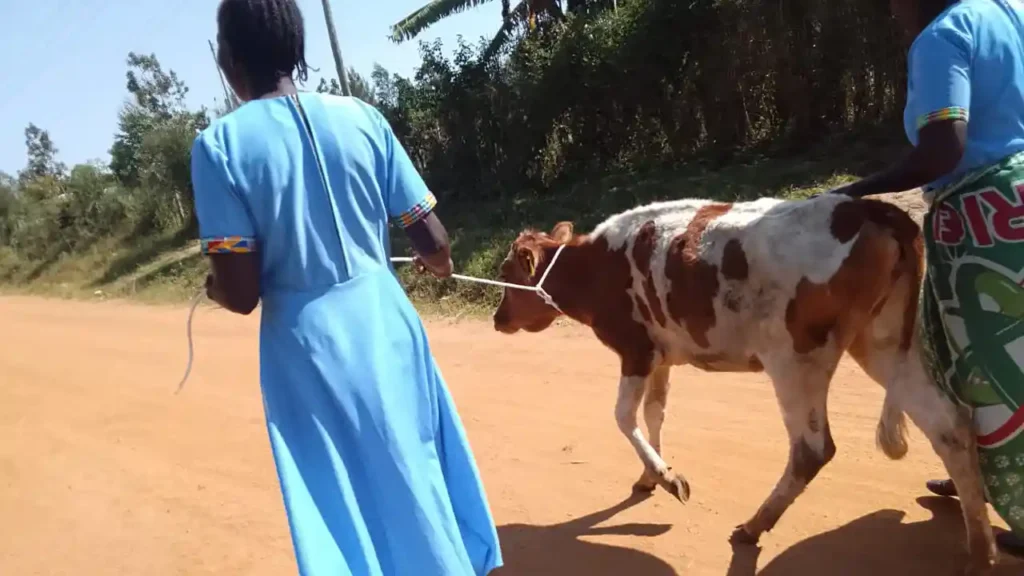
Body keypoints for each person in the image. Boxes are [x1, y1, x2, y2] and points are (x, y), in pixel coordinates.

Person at [191, 0, 504, 574]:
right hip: (387, 320)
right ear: (295, 48)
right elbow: (432, 240)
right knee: (414, 464)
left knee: (338, 493)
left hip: (305, 348)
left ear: (230, 61)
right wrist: (433, 263)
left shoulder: (219, 148)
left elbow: (240, 295)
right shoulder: (363, 117)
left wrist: (213, 289)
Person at [824, 0, 1024, 557]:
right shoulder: (1012, 11)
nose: (892, 9)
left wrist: (849, 192)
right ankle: (972, 480)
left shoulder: (944, 36)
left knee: (992, 373)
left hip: (989, 227)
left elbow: (944, 148)